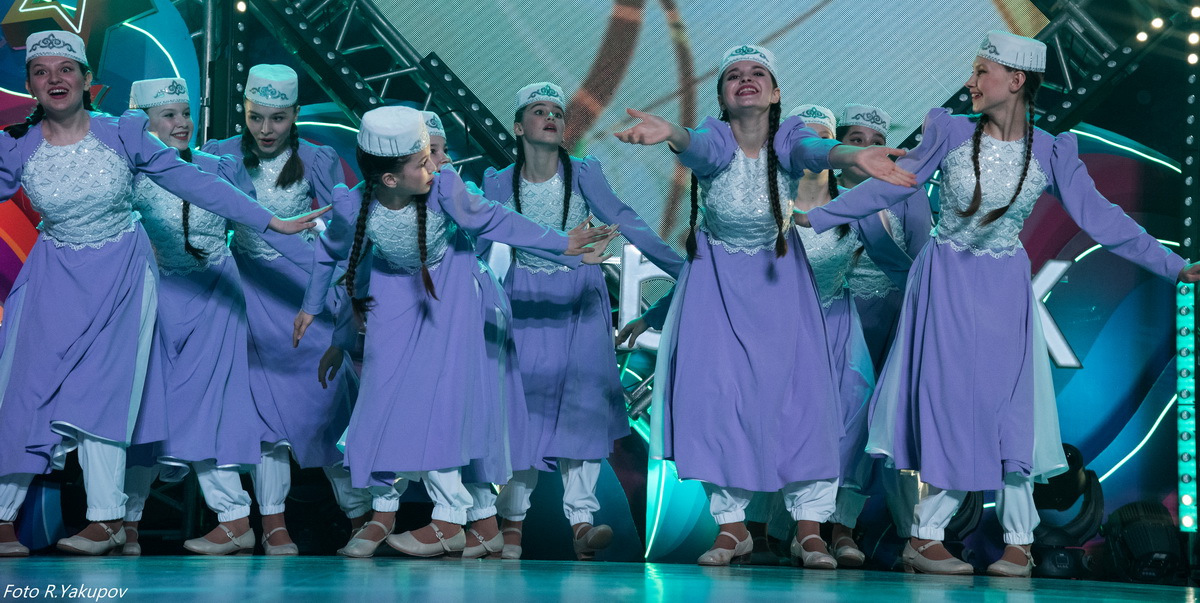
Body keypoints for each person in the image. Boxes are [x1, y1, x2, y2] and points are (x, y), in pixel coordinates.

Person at [797, 30, 1200, 576]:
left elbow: (1103, 219)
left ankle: (1019, 540)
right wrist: (820, 216)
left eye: (981, 72)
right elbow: (893, 184)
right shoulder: (949, 132)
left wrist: (1174, 266)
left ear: (1015, 80)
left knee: (1012, 408)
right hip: (944, 281)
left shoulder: (1052, 151)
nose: (970, 82)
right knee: (949, 406)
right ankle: (926, 536)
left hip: (1004, 288)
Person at [0, 33, 322, 557]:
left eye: (66, 68)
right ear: (32, 85)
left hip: (122, 276)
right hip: (53, 277)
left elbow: (196, 184)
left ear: (86, 79)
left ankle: (109, 520)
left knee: (102, 396)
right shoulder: (16, 146)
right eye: (42, 71)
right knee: (23, 391)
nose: (55, 79)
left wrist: (272, 222)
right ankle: (4, 518)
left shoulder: (123, 134)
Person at [613, 44, 915, 567]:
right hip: (717, 292)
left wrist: (851, 156)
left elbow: (814, 151)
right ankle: (732, 528)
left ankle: (811, 529)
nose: (746, 79)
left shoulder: (789, 137)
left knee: (802, 406)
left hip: (781, 292)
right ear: (723, 95)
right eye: (734, 74)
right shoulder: (713, 137)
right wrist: (674, 134)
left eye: (758, 73)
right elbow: (698, 147)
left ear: (775, 94)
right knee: (716, 404)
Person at [294, 106, 612, 558]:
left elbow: (497, 220)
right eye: (422, 160)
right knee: (380, 399)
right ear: (390, 179)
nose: (435, 164)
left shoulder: (444, 188)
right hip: (394, 294)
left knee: (440, 402)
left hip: (450, 291)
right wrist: (311, 309)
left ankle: (450, 517)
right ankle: (389, 512)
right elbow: (331, 254)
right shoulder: (355, 204)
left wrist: (563, 243)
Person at [478, 82, 684, 560]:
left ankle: (582, 523)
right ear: (518, 126)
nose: (550, 117)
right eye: (538, 110)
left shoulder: (584, 173)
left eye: (557, 111)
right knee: (522, 413)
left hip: (580, 301)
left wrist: (683, 269)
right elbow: (477, 247)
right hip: (525, 300)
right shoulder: (497, 183)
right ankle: (512, 527)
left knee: (583, 409)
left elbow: (627, 221)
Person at [202, 64, 371, 554]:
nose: (266, 129)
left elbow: (342, 233)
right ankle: (273, 525)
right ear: (244, 110)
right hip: (247, 292)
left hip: (304, 291)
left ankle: (361, 516)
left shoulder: (317, 157)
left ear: (295, 114)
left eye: (277, 118)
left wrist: (340, 296)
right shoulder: (220, 155)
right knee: (261, 416)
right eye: (256, 117)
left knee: (327, 406)